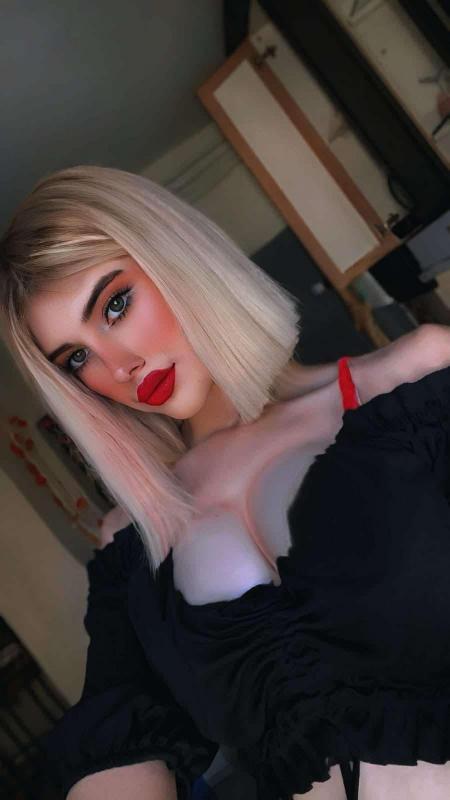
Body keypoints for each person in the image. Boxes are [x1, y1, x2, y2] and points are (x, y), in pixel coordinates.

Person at [1, 164, 450, 800]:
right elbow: (119, 737)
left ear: (175, 254)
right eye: (76, 358)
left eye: (116, 305)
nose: (119, 366)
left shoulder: (417, 378)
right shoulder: (134, 540)